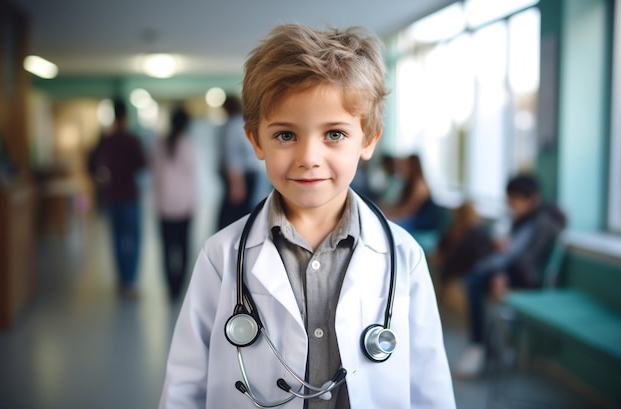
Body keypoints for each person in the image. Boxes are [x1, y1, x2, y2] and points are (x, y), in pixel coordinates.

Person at [159, 24, 455, 409]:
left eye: (334, 134)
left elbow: (429, 385)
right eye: (285, 135)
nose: (308, 158)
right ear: (255, 140)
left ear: (368, 140)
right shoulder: (222, 255)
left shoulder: (403, 256)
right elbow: (185, 385)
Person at [455, 174, 567, 379]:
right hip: (512, 272)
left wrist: (502, 273)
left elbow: (524, 258)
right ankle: (482, 348)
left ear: (531, 199)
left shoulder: (541, 222)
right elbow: (513, 251)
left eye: (515, 201)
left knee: (474, 281)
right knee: (474, 277)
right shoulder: (526, 219)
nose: (512, 206)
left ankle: (479, 347)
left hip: (525, 280)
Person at [92, 99, 147, 299]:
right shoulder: (131, 140)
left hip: (111, 196)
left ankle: (121, 279)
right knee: (133, 239)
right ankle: (130, 283)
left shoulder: (106, 140)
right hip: (130, 196)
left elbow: (92, 163)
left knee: (116, 239)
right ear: (125, 116)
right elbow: (142, 165)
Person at [151, 106, 196, 301]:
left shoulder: (159, 145)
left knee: (167, 248)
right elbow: (192, 174)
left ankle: (171, 288)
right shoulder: (187, 145)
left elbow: (155, 174)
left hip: (164, 206)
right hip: (184, 206)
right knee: (183, 247)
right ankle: (179, 287)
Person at [217, 94, 270, 230]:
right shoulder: (243, 124)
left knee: (232, 222)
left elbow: (233, 157)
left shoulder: (233, 126)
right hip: (252, 175)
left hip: (242, 177)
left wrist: (236, 184)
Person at [380, 154, 442, 232]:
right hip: (412, 219)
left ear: (413, 167)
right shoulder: (408, 183)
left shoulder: (420, 185)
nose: (402, 168)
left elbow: (409, 211)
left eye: (406, 165)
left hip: (420, 223)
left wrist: (388, 215)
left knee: (388, 226)